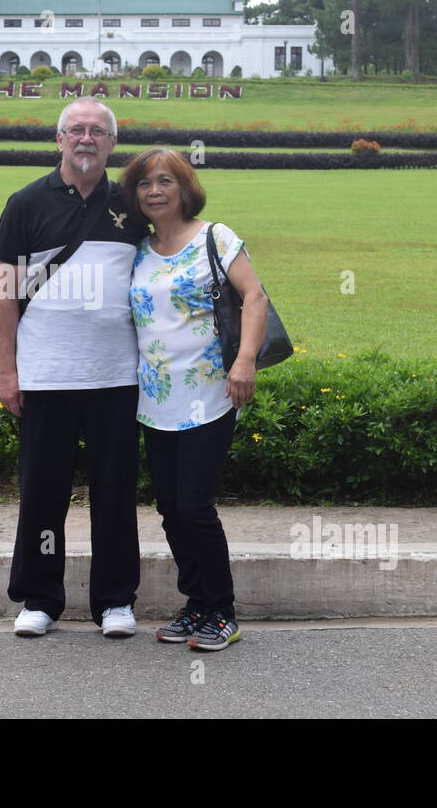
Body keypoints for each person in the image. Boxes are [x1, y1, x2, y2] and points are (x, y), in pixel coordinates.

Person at [0, 95, 149, 637]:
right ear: (58, 140)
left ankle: (114, 601)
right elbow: (4, 294)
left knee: (115, 491)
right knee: (42, 493)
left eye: (97, 130)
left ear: (112, 142)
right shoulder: (26, 203)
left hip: (117, 377)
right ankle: (39, 599)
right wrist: (6, 372)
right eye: (75, 129)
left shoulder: (133, 202)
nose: (86, 138)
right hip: (46, 375)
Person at [120, 147, 268, 651]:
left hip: (209, 391)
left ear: (185, 188)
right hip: (154, 397)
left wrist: (244, 361)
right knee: (169, 508)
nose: (155, 191)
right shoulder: (136, 249)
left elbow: (255, 297)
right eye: (144, 184)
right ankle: (196, 604)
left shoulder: (215, 237)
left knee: (195, 505)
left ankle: (222, 611)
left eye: (165, 181)